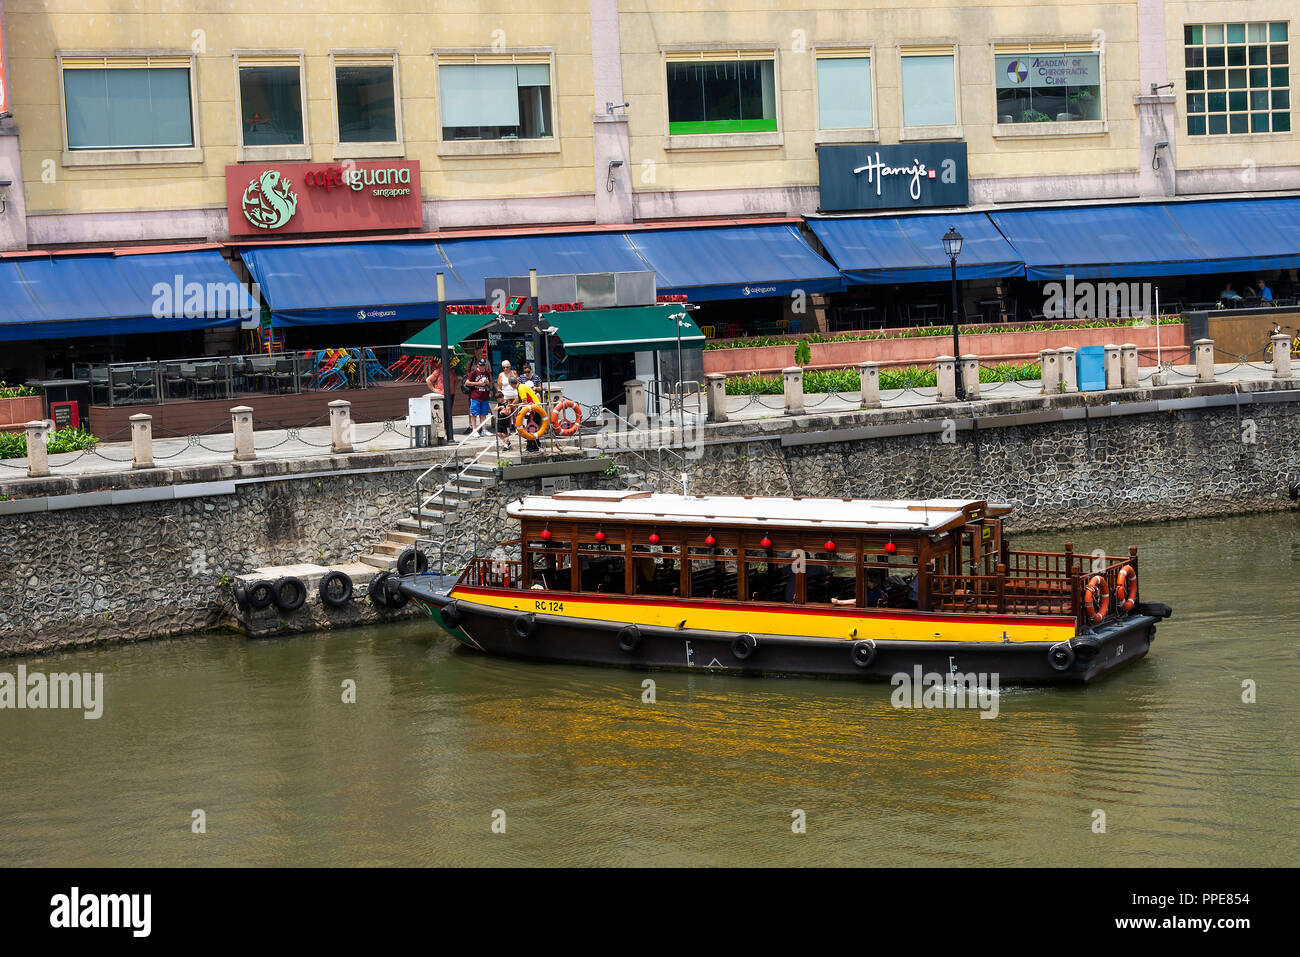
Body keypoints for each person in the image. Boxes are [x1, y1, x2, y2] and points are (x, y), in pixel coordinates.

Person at [512, 374, 543, 452]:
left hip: (535, 409)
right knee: (533, 427)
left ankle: (530, 447)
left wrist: (515, 405)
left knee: (530, 428)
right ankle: (536, 446)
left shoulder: (521, 388)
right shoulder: (522, 385)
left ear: (511, 384)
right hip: (536, 409)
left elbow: (524, 402)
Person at [465, 358, 492, 435]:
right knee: (474, 414)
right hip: (475, 396)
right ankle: (474, 429)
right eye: (481, 365)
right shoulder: (473, 372)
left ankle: (484, 429)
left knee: (483, 414)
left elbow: (490, 383)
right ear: (478, 365)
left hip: (484, 396)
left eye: (484, 365)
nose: (483, 367)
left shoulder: (486, 372)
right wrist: (477, 384)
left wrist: (488, 384)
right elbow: (467, 383)